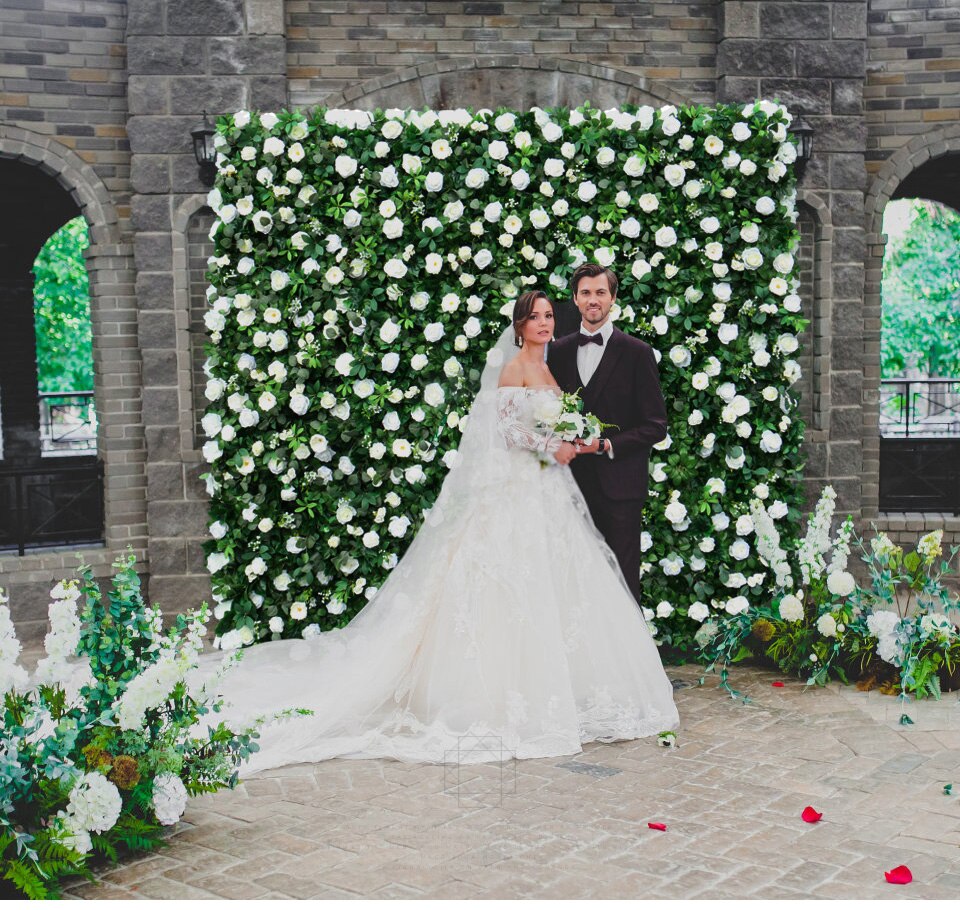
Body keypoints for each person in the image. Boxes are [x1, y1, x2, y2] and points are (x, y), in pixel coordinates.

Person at [202, 290, 678, 773]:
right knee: (510, 586)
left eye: (548, 316)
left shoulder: (551, 368)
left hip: (551, 493)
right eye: (533, 317)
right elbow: (510, 434)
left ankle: (567, 691)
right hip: (520, 490)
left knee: (562, 586)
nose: (542, 323)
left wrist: (567, 439)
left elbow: (555, 421)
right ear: (517, 325)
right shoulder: (514, 368)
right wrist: (551, 445)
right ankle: (504, 696)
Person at [547, 263, 668, 605]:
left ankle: (628, 658)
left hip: (620, 490)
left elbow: (656, 424)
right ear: (575, 299)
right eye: (585, 293)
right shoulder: (557, 352)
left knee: (622, 582)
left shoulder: (637, 353)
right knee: (572, 579)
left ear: (613, 299)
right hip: (569, 487)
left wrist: (606, 444)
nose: (593, 300)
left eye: (600, 292)